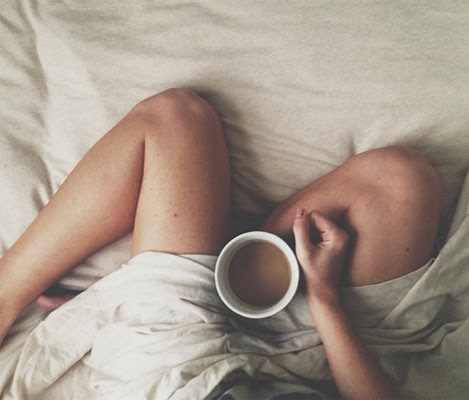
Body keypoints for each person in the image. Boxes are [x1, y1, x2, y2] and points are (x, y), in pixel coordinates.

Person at [0, 88, 441, 399]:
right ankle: (243, 255)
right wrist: (324, 299)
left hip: (177, 375)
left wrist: (112, 315)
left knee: (176, 118)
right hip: (316, 366)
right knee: (401, 179)